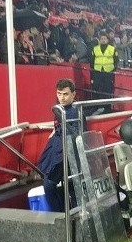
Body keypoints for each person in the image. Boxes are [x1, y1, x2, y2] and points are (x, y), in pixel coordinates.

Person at [37, 78, 84, 213]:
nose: (62, 98)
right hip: (58, 150)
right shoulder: (60, 109)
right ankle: (65, 216)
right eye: (59, 94)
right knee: (67, 187)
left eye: (65, 94)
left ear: (73, 94)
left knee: (52, 185)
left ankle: (63, 216)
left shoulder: (76, 111)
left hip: (67, 154)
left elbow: (77, 134)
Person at [90, 30, 119, 112]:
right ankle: (95, 106)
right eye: (102, 38)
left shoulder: (112, 49)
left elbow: (116, 60)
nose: (103, 40)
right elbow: (92, 60)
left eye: (105, 38)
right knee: (95, 89)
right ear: (99, 40)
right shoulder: (95, 49)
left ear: (107, 40)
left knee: (107, 90)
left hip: (108, 72)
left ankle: (107, 107)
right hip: (97, 71)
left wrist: (113, 69)